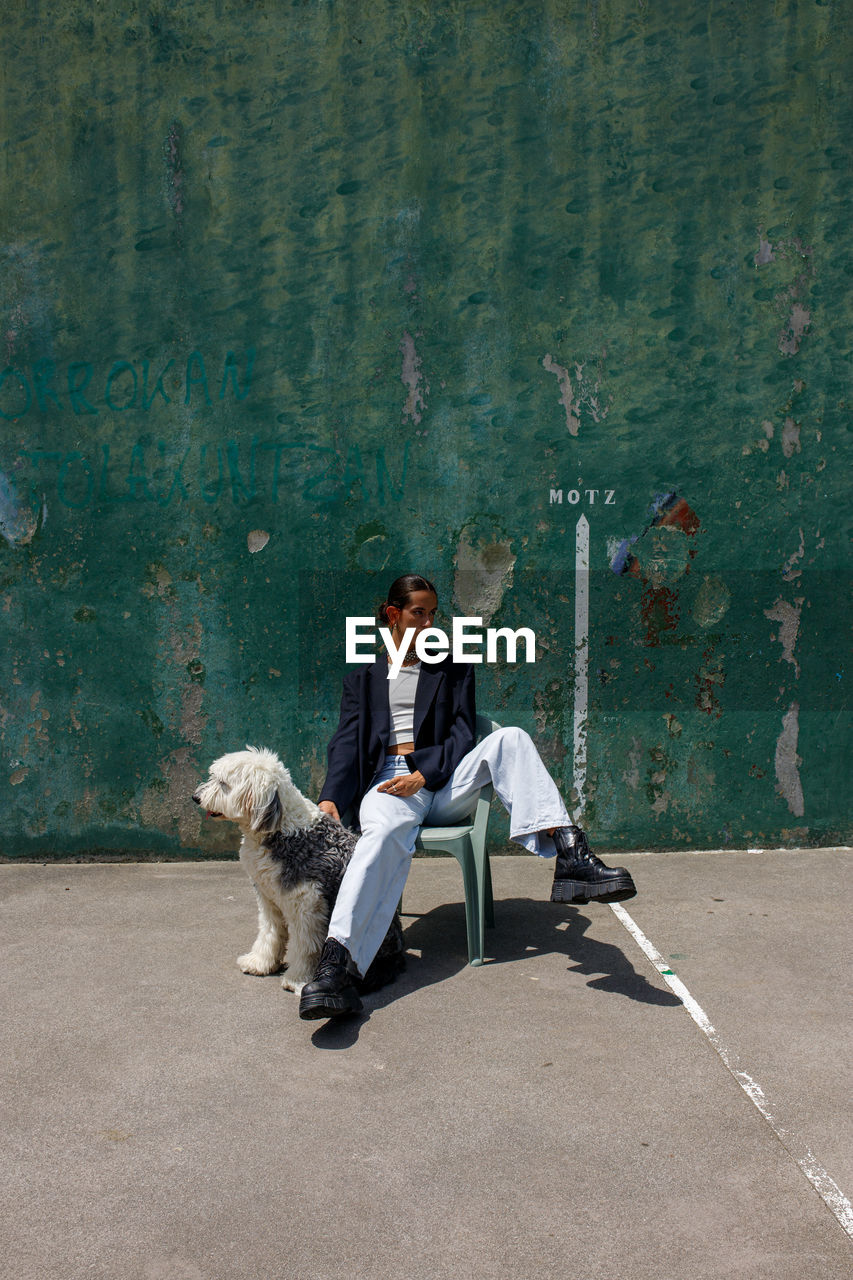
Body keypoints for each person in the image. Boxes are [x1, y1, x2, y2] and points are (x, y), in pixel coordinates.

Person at [298, 573, 636, 1020]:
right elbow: (345, 743)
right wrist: (331, 798)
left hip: (444, 782)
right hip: (388, 785)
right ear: (393, 615)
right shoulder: (363, 679)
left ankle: (570, 851)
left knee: (510, 738)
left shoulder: (453, 665)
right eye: (419, 612)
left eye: (433, 613)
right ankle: (335, 967)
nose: (429, 621)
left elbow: (461, 734)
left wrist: (425, 774)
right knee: (378, 840)